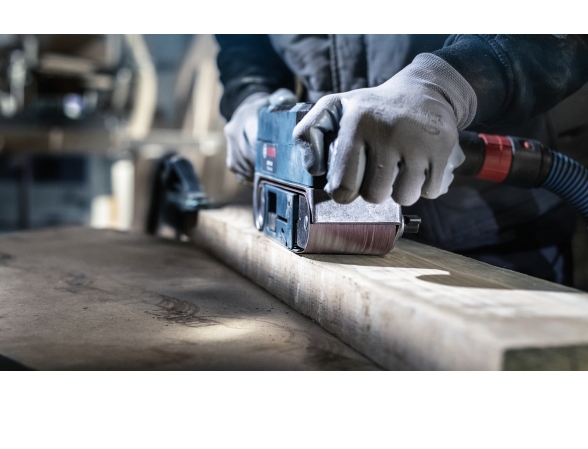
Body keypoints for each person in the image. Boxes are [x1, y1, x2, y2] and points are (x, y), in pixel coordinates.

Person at [216, 35, 588, 285]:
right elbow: (245, 42)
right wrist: (249, 94)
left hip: (498, 239)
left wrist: (448, 83)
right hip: (331, 229)